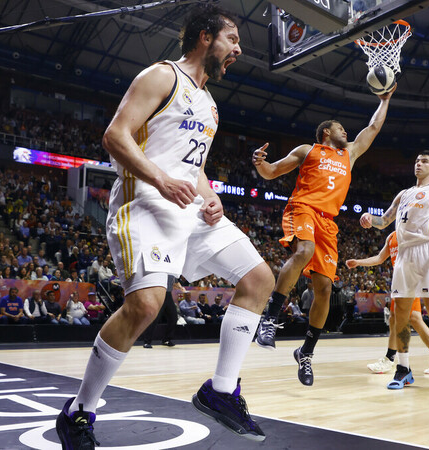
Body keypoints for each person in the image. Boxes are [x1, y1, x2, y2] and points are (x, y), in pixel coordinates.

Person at [56, 5, 274, 447]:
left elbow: (192, 168)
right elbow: (115, 136)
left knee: (259, 279)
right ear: (204, 37)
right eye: (232, 39)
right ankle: (79, 412)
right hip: (144, 202)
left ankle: (221, 390)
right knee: (146, 307)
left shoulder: (211, 105)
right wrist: (159, 178)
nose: (238, 49)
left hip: (188, 207)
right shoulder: (161, 76)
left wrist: (211, 198)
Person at [251, 84, 394, 386]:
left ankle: (306, 353)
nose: (347, 133)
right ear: (327, 132)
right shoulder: (308, 150)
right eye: (341, 129)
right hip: (303, 208)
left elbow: (373, 128)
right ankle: (269, 319)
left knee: (325, 289)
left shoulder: (350, 154)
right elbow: (271, 172)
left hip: (329, 223)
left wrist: (385, 99)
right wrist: (259, 162)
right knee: (302, 252)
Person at [359, 150, 429, 391]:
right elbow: (384, 221)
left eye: (424, 161)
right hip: (405, 252)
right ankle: (403, 369)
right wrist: (369, 219)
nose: (419, 163)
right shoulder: (403, 194)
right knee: (401, 313)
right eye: (416, 160)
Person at [346, 231, 429, 375]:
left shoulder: (414, 232)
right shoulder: (391, 236)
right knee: (400, 318)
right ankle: (394, 359)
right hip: (400, 281)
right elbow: (379, 258)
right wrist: (358, 262)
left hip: (412, 278)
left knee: (410, 318)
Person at [141, 276, 182, 348]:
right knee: (155, 318)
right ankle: (147, 341)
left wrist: (180, 287)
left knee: (173, 317)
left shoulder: (173, 271)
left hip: (168, 294)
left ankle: (166, 339)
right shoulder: (161, 268)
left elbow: (176, 282)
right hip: (159, 293)